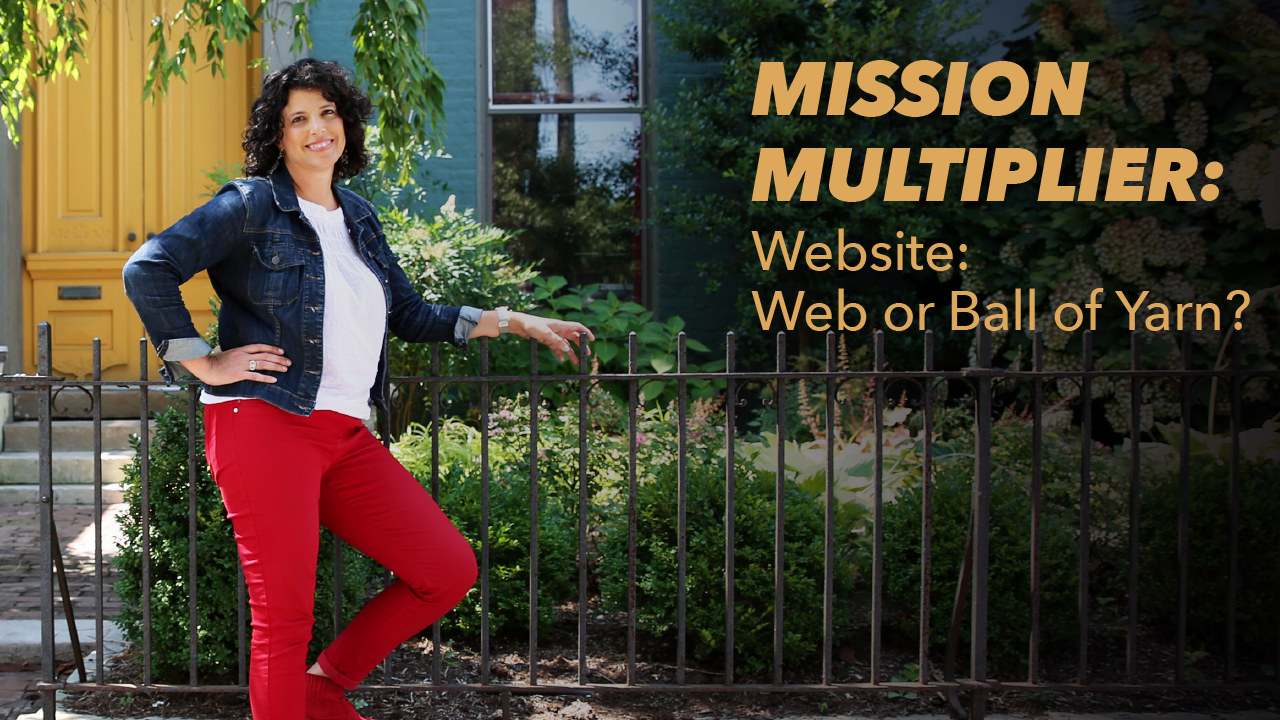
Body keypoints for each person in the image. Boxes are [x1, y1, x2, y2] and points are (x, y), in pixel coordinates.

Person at [122, 58, 594, 720]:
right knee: (283, 618)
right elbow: (148, 267)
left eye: (328, 114)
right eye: (298, 119)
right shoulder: (252, 205)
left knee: (446, 568)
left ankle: (323, 688)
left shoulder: (360, 219)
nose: (317, 129)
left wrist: (515, 320)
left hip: (343, 434)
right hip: (264, 424)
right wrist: (201, 361)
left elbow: (411, 315)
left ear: (345, 124)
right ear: (278, 136)